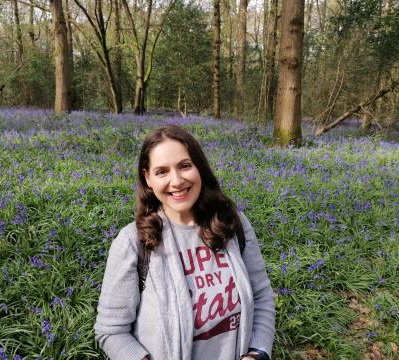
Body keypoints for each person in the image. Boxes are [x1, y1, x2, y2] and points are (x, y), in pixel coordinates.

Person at [94, 125, 275, 360]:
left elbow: (261, 297)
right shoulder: (133, 242)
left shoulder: (233, 224)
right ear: (148, 178)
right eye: (162, 171)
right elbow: (111, 331)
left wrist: (257, 354)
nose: (176, 181)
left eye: (184, 166)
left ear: (199, 167)